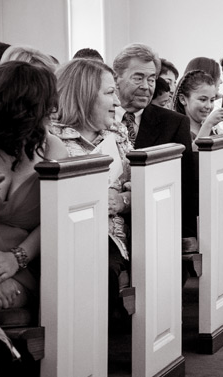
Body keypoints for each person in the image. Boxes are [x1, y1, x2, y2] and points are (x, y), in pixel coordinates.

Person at [49, 58, 133, 322]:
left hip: (114, 236)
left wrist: (122, 201)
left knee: (104, 264)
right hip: (65, 232)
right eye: (109, 93)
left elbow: (144, 185)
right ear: (84, 95)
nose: (118, 102)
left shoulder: (118, 134)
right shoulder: (52, 137)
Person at [0, 61, 68, 316]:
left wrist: (16, 258)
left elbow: (59, 219)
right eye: (47, 103)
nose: (54, 109)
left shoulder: (52, 149)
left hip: (28, 262)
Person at [112, 43, 197, 246]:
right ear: (116, 78)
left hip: (156, 228)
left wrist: (185, 237)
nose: (146, 86)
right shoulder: (100, 119)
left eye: (151, 79)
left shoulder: (174, 123)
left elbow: (185, 186)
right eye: (138, 77)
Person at [173, 69, 223, 141]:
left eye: (212, 100)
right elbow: (192, 151)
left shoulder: (215, 130)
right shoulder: (177, 130)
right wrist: (208, 124)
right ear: (183, 99)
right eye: (203, 100)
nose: (208, 106)